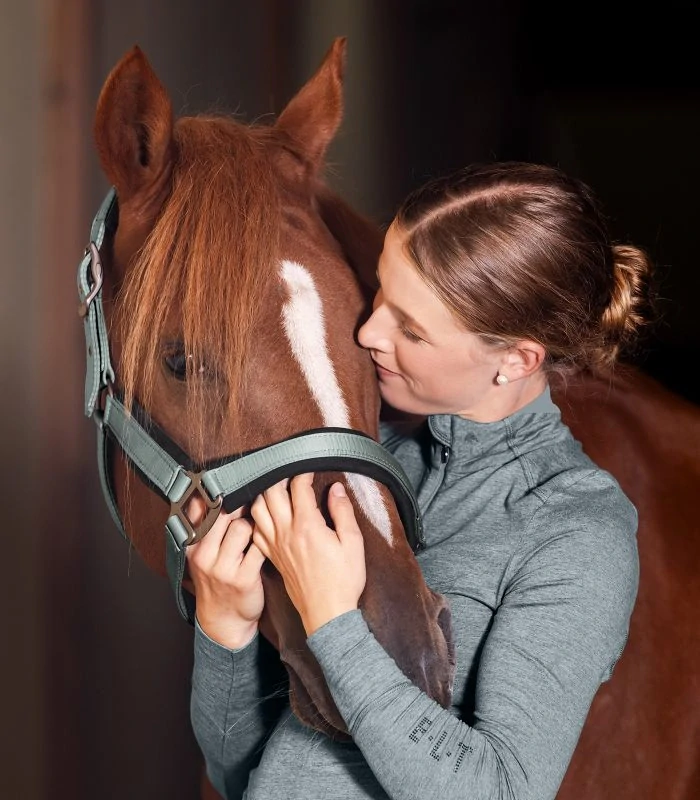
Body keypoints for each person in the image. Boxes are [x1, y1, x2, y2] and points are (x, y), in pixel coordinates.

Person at [186, 161, 654, 800]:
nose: (368, 332)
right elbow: (240, 773)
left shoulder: (577, 536)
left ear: (515, 359)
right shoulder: (364, 456)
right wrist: (224, 633)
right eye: (380, 292)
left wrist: (332, 622)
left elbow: (502, 791)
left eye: (411, 329)